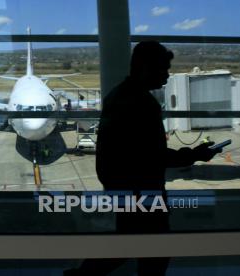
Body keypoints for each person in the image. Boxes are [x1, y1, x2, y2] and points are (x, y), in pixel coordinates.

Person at [65, 41, 220, 276]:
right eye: (164, 69)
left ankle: (82, 274)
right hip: (142, 191)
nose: (168, 76)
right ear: (146, 68)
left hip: (122, 187)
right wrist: (196, 154)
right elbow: (152, 156)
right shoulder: (142, 103)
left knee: (128, 244)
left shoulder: (117, 95)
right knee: (154, 250)